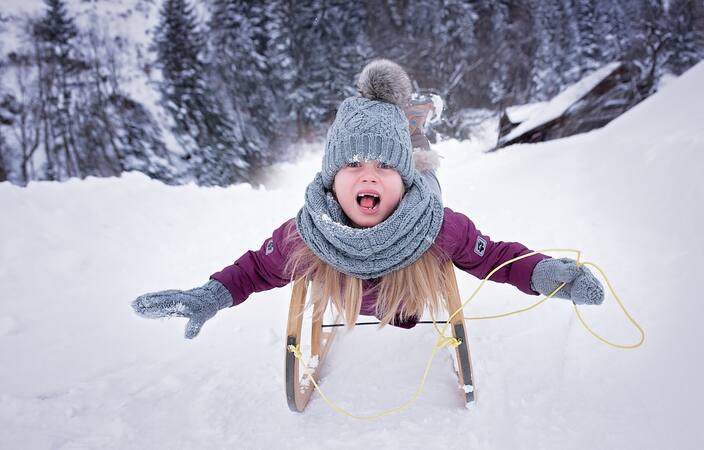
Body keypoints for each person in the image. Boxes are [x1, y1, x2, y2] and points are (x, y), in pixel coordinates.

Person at [131, 60, 604, 339]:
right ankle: (405, 128)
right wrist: (210, 295)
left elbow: (497, 259)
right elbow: (256, 269)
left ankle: (411, 136)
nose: (368, 177)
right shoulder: (308, 232)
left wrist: (548, 275)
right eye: (353, 166)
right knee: (393, 154)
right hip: (370, 232)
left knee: (416, 165)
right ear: (332, 179)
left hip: (412, 226)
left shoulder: (437, 227)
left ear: (400, 180)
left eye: (383, 168)